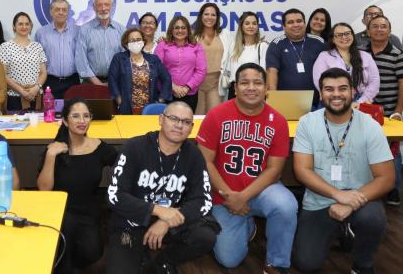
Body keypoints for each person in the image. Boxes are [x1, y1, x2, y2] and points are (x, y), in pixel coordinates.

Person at [196, 63, 298, 273]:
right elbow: (204, 162)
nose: (251, 87)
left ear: (266, 88)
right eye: (244, 82)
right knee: (229, 260)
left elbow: (274, 170)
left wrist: (243, 198)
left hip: (261, 191)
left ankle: (276, 264)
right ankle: (248, 224)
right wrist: (229, 196)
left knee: (286, 205)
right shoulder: (216, 115)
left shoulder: (277, 121)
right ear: (235, 88)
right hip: (224, 195)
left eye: (258, 83)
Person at [292, 68, 395, 274]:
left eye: (342, 89)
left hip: (359, 200)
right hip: (319, 202)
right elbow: (302, 171)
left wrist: (351, 202)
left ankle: (362, 263)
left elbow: (386, 178)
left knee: (373, 217)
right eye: (329, 89)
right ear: (320, 94)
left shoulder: (370, 126)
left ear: (352, 92)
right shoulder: (307, 123)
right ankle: (342, 230)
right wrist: (338, 195)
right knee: (306, 264)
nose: (336, 94)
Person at [106, 101, 219, 274]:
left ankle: (163, 261)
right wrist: (157, 210)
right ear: (161, 119)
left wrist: (166, 220)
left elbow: (203, 199)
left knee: (205, 237)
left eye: (186, 122)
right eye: (173, 118)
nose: (179, 125)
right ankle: (139, 250)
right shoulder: (134, 147)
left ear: (191, 127)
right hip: (131, 221)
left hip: (172, 219)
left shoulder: (193, 155)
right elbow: (115, 195)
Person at [37, 98, 117, 273]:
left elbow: (122, 164)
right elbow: (44, 189)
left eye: (86, 116)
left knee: (92, 252)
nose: (82, 121)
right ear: (65, 120)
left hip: (88, 210)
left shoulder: (98, 146)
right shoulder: (56, 148)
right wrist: (50, 156)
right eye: (76, 116)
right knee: (67, 230)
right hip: (60, 210)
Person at [361, 15, 403, 206]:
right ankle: (369, 186)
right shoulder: (360, 52)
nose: (379, 30)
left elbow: (402, 84)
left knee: (390, 151)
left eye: (383, 26)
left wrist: (398, 110)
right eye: (375, 27)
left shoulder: (398, 54)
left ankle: (392, 189)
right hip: (363, 110)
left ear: (389, 30)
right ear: (368, 32)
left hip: (388, 113)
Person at [266, 8, 325, 105]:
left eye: (299, 21)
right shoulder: (276, 44)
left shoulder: (319, 42)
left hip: (317, 102)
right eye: (290, 22)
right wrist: (273, 100)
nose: (296, 25)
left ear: (305, 23)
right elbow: (271, 71)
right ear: (284, 26)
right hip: (287, 103)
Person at [313, 23, 379, 105]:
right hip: (333, 99)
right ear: (333, 39)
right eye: (339, 35)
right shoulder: (324, 56)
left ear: (352, 35)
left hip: (361, 99)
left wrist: (361, 101)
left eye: (347, 33)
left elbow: (375, 81)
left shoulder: (365, 56)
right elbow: (318, 80)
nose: (344, 37)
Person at [108, 28, 172, 114]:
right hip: (127, 107)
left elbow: (167, 78)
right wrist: (119, 100)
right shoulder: (119, 59)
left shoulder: (153, 59)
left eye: (138, 39)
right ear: (126, 44)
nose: (136, 42)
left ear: (143, 42)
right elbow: (112, 80)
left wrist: (161, 99)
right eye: (132, 40)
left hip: (150, 108)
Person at [0, 12, 47, 111]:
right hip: (14, 97)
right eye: (20, 24)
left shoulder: (37, 46)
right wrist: (22, 91)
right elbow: (3, 74)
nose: (24, 26)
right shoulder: (6, 47)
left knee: (37, 125)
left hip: (35, 95)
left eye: (27, 24)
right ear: (14, 27)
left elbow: (43, 72)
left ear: (31, 26)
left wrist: (35, 88)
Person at [155, 15, 206, 112]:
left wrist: (187, 88)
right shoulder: (162, 45)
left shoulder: (196, 46)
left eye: (183, 28)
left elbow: (201, 71)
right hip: (166, 93)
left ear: (188, 30)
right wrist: (173, 86)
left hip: (189, 94)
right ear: (171, 30)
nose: (180, 30)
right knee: (167, 122)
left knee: (186, 122)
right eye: (177, 27)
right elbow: (157, 68)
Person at [75, 0, 125, 85]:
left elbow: (125, 59)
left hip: (117, 82)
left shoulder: (121, 30)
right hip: (90, 83)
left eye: (106, 4)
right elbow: (81, 60)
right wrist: (97, 83)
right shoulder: (84, 30)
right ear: (94, 7)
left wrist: (113, 81)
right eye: (99, 5)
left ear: (111, 6)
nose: (103, 8)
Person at [34, 0, 80, 99]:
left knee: (73, 112)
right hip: (50, 82)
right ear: (51, 12)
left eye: (64, 9)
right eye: (57, 9)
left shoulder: (78, 31)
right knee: (52, 113)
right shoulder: (41, 33)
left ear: (68, 12)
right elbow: (36, 61)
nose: (61, 12)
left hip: (73, 81)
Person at [193, 3, 231, 114]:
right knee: (197, 117)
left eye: (213, 15)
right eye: (206, 14)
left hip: (216, 83)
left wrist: (258, 43)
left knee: (214, 117)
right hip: (196, 83)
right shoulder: (192, 35)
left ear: (217, 17)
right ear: (201, 16)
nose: (209, 17)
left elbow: (236, 49)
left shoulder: (225, 34)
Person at [220, 11, 268, 100]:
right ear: (241, 26)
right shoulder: (233, 45)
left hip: (253, 90)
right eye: (247, 23)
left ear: (257, 27)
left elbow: (264, 72)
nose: (251, 26)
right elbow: (228, 70)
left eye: (254, 23)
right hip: (234, 90)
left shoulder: (262, 46)